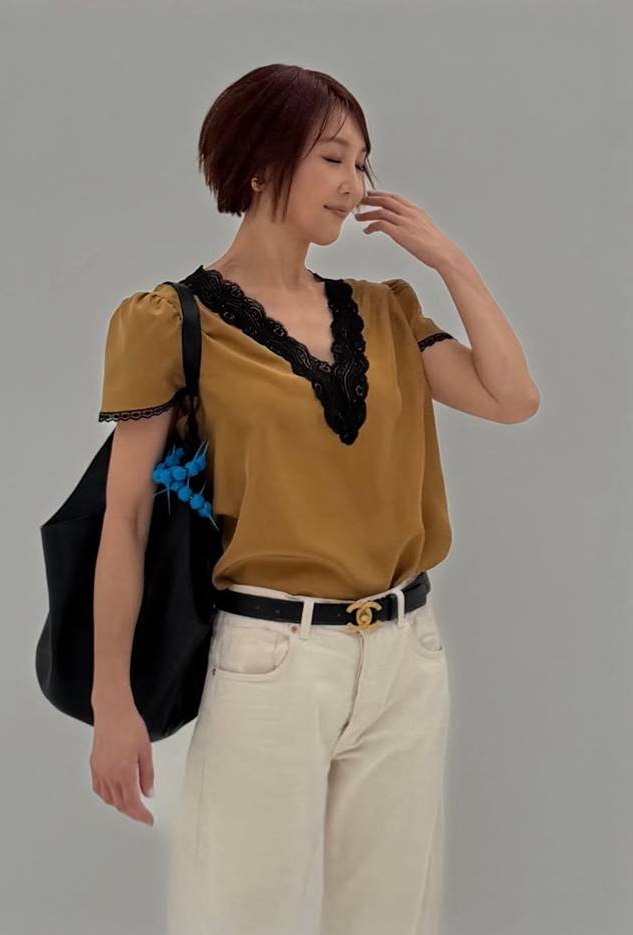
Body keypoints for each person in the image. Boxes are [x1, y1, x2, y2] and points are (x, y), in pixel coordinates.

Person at [90, 63, 540, 935]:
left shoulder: (385, 312)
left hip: (407, 656)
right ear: (262, 166)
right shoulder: (169, 322)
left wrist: (448, 258)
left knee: (389, 921)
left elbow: (512, 397)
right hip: (271, 658)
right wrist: (114, 701)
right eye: (333, 158)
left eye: (363, 163)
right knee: (237, 918)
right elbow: (126, 517)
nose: (355, 185)